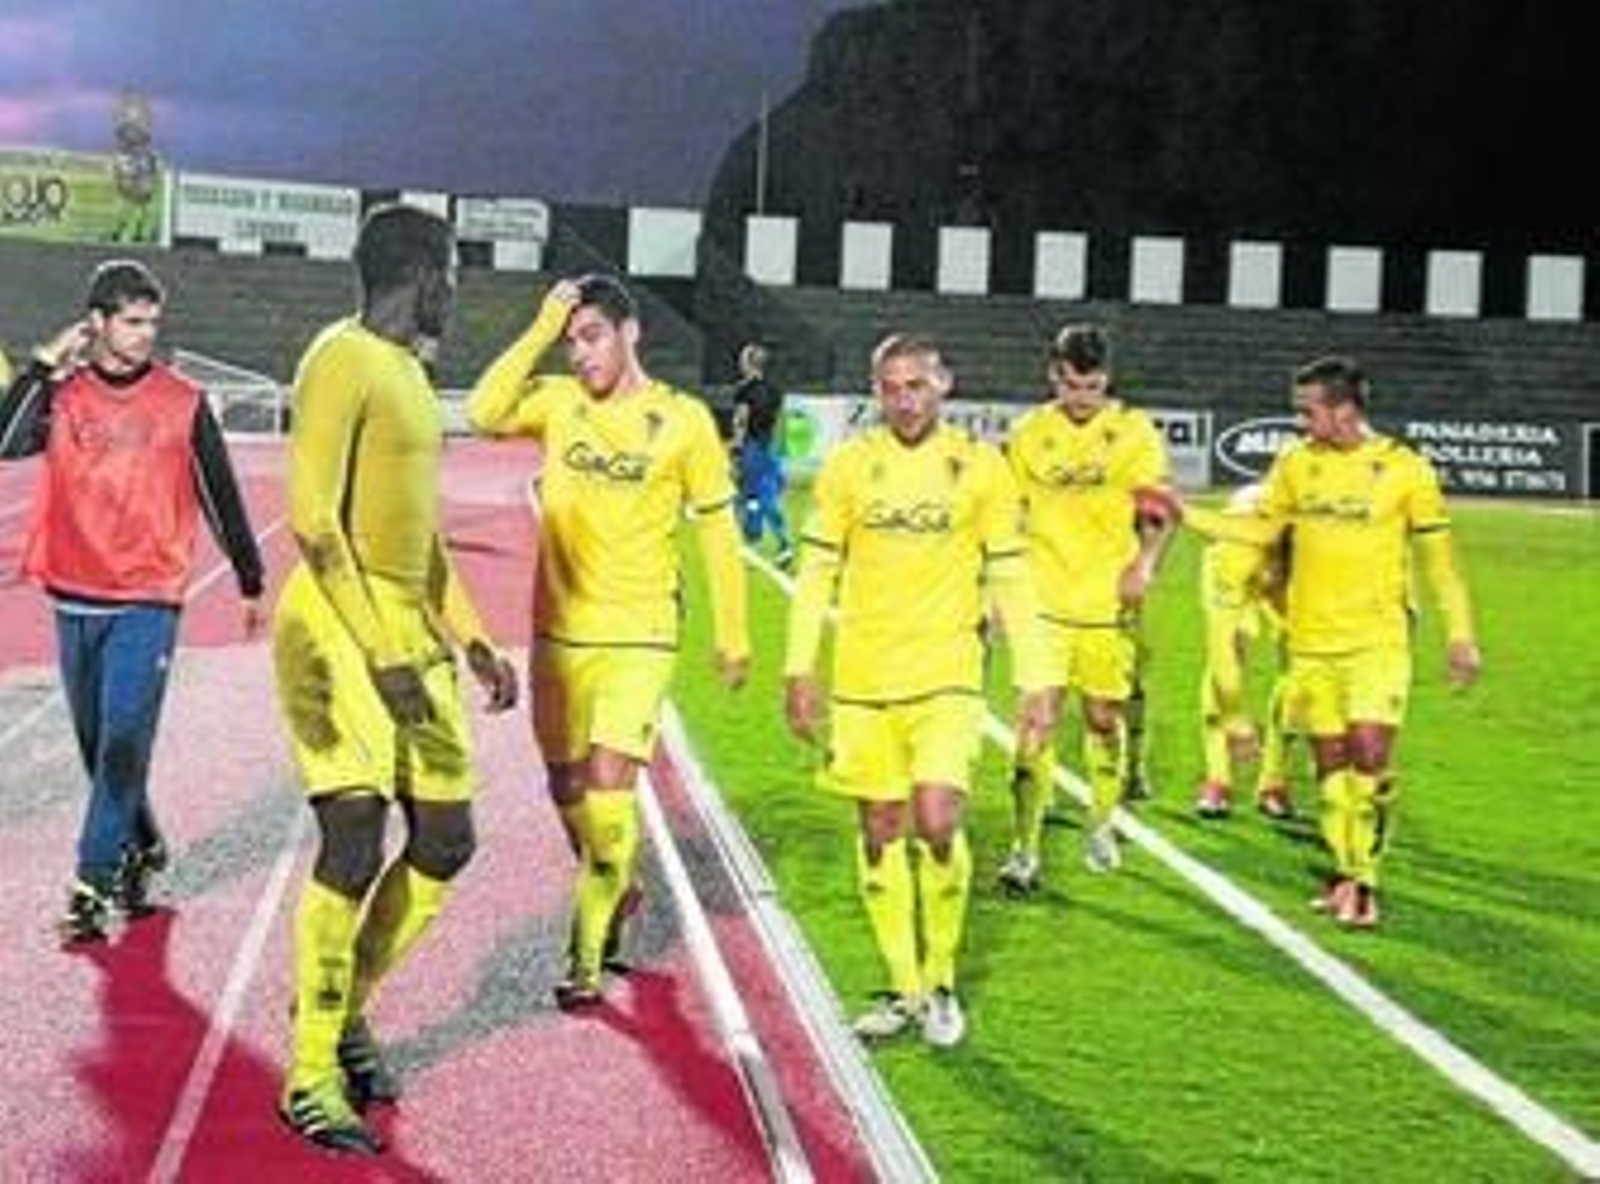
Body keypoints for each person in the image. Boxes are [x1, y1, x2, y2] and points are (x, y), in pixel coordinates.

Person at [272, 204, 519, 1155]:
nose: (455, 290)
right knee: (354, 831)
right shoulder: (340, 359)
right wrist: (380, 649)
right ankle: (307, 1072)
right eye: (451, 269)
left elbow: (417, 542)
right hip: (336, 625)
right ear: (421, 269)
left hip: (405, 621)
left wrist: (473, 637)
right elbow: (314, 526)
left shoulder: (412, 375)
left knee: (449, 839)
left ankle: (336, 1011)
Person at [468, 274, 749, 1009]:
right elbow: (483, 409)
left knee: (609, 787)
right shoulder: (559, 405)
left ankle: (585, 956)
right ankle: (614, 881)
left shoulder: (683, 421)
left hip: (641, 633)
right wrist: (539, 328)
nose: (581, 354)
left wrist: (733, 632)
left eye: (592, 336)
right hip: (560, 630)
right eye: (572, 342)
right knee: (565, 787)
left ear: (631, 334)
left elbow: (719, 530)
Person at [784, 333, 1055, 1048]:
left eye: (917, 386)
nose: (904, 400)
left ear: (945, 385)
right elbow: (816, 571)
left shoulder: (981, 468)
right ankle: (904, 987)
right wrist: (798, 664)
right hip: (865, 682)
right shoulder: (849, 466)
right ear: (876, 392)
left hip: (946, 679)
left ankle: (940, 980)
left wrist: (1037, 675)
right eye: (891, 387)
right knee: (878, 830)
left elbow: (1011, 575)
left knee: (935, 820)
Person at [0, 260, 264, 944]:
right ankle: (142, 843)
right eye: (131, 321)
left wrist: (250, 576)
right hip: (75, 595)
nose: (146, 334)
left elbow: (220, 492)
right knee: (99, 749)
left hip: (150, 596)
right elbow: (3, 443)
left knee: (123, 742)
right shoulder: (64, 397)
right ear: (98, 323)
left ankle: (91, 885)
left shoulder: (182, 400)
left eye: (152, 321)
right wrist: (39, 366)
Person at [1175, 355, 1480, 928]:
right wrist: (1184, 512)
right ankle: (1345, 871)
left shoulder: (1406, 469)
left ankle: (1365, 882)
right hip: (1312, 646)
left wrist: (1460, 634)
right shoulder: (1295, 464)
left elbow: (1441, 563)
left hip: (1377, 643)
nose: (1300, 421)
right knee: (1333, 771)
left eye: (1308, 410)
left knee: (1370, 754)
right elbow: (1260, 530)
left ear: (1343, 411)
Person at [997, 324, 1175, 893]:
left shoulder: (1133, 432)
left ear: (1107, 381)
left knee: (1103, 719)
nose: (1082, 398)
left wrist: (1145, 563)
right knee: (1035, 723)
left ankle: (1101, 823)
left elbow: (1155, 508)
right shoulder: (1028, 434)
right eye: (1073, 385)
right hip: (1043, 605)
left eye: (1093, 387)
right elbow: (1006, 517)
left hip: (1106, 605)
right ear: (1054, 376)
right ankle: (1023, 850)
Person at [1193, 483, 1297, 820]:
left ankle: (1274, 782)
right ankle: (1217, 779)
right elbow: (1224, 643)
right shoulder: (1231, 553)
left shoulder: (1311, 547)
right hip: (1235, 571)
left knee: (1300, 670)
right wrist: (1236, 719)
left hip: (1291, 573)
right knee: (1226, 659)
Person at [729, 342, 794, 568]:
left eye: (743, 358)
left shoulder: (743, 390)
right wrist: (779, 453)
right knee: (762, 497)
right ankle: (774, 542)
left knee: (752, 498)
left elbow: (741, 420)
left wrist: (736, 447)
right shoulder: (776, 390)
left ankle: (762, 543)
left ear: (747, 363)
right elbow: (781, 423)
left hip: (752, 449)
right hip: (770, 449)